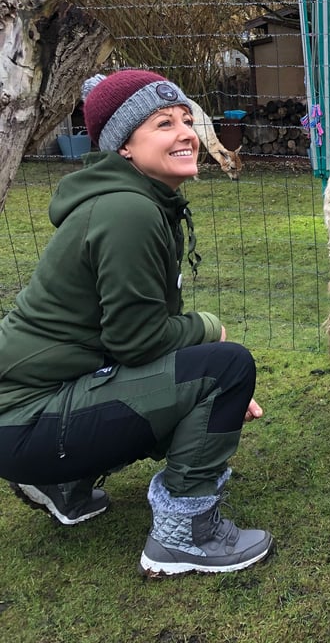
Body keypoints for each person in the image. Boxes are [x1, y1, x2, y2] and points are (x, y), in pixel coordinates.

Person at [0, 70, 273, 576]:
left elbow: (139, 331)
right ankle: (183, 536)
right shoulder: (129, 212)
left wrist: (199, 391)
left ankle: (61, 483)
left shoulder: (139, 202)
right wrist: (211, 332)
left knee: (210, 375)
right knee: (228, 365)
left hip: (25, 413)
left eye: (187, 120)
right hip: (23, 418)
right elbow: (137, 340)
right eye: (163, 124)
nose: (186, 133)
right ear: (124, 146)